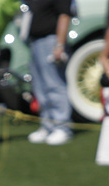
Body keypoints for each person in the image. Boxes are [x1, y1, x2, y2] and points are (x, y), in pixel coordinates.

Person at [25, 0, 73, 146]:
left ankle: (62, 126)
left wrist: (59, 44)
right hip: (34, 41)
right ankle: (48, 124)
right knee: (40, 87)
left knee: (54, 84)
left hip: (50, 40)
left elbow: (65, 15)